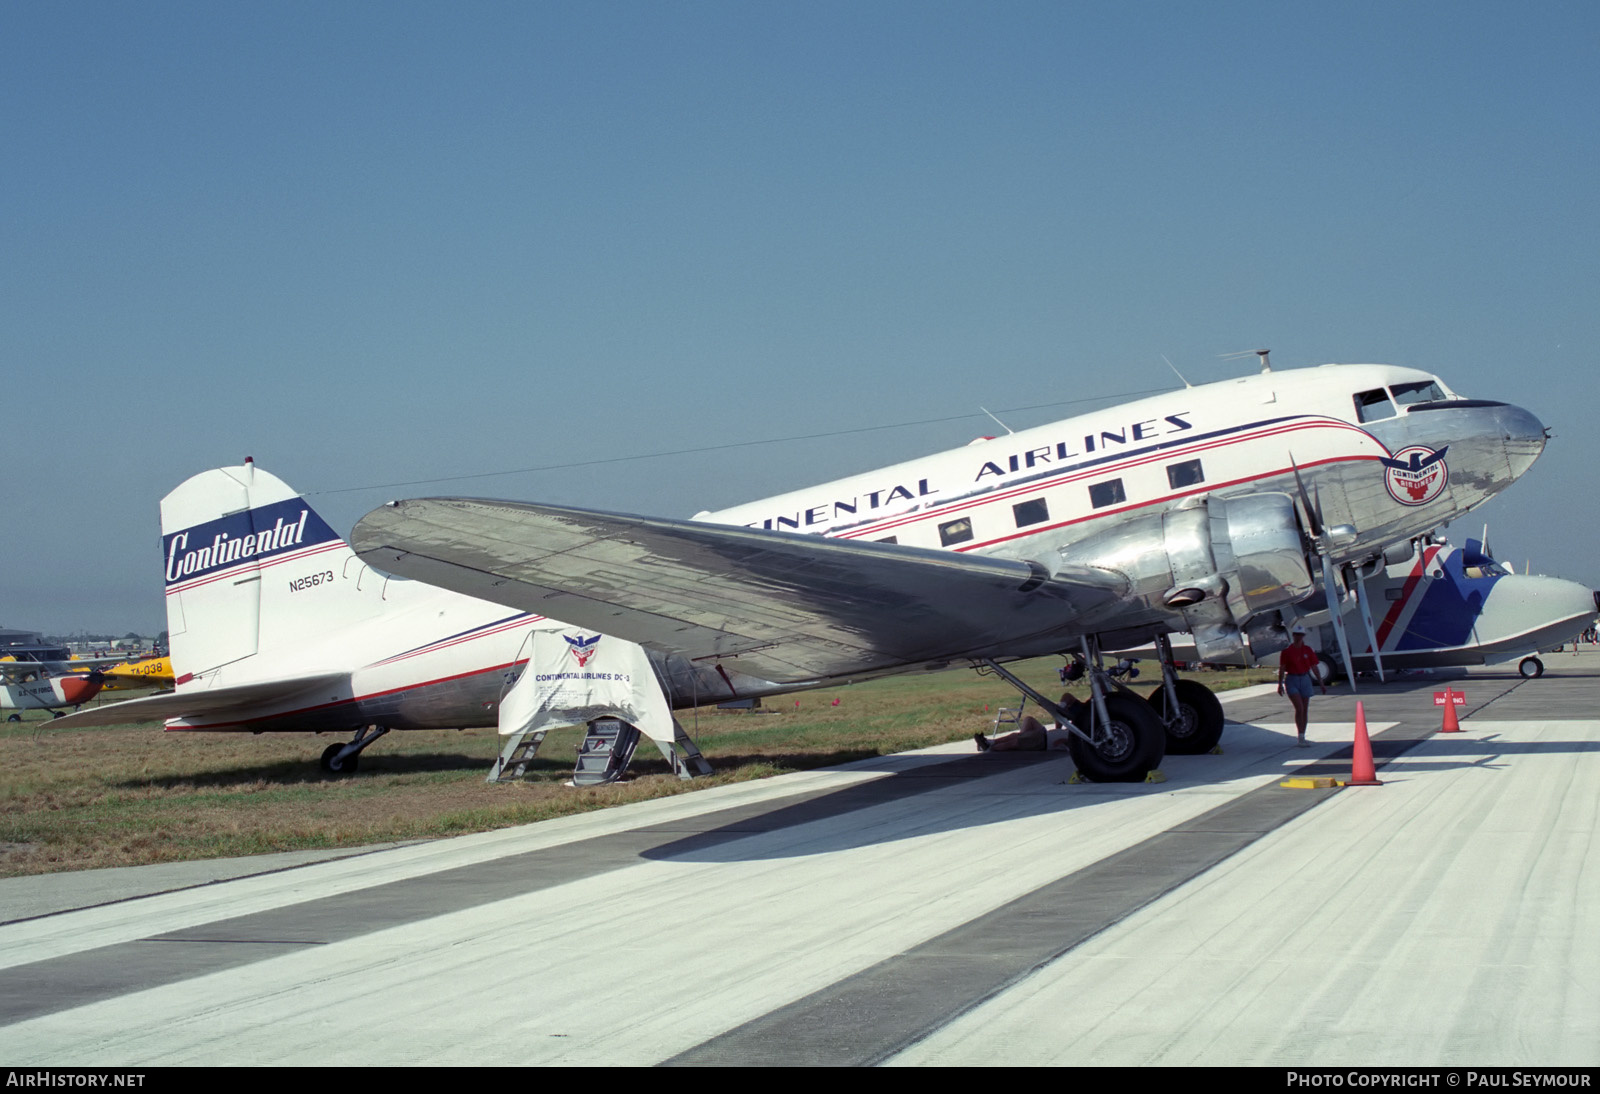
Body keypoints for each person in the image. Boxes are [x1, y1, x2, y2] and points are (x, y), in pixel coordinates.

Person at [976, 692, 1086, 751]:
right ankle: (990, 742)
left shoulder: (1082, 738)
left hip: (1044, 742)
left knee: (1015, 742)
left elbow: (1071, 745)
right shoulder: (1079, 728)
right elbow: (1067, 696)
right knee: (1017, 735)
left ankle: (990, 748)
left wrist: (1064, 740)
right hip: (1045, 735)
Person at [1277, 624, 1326, 747]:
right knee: (1299, 708)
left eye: (1301, 635)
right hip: (1292, 679)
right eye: (1296, 634)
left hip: (1305, 679)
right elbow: (1282, 668)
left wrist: (1321, 682)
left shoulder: (1308, 650)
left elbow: (1314, 667)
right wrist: (1280, 684)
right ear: (1293, 636)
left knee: (1305, 709)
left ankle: (1302, 735)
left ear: (1303, 636)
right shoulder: (1287, 651)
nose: (1298, 637)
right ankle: (1300, 736)